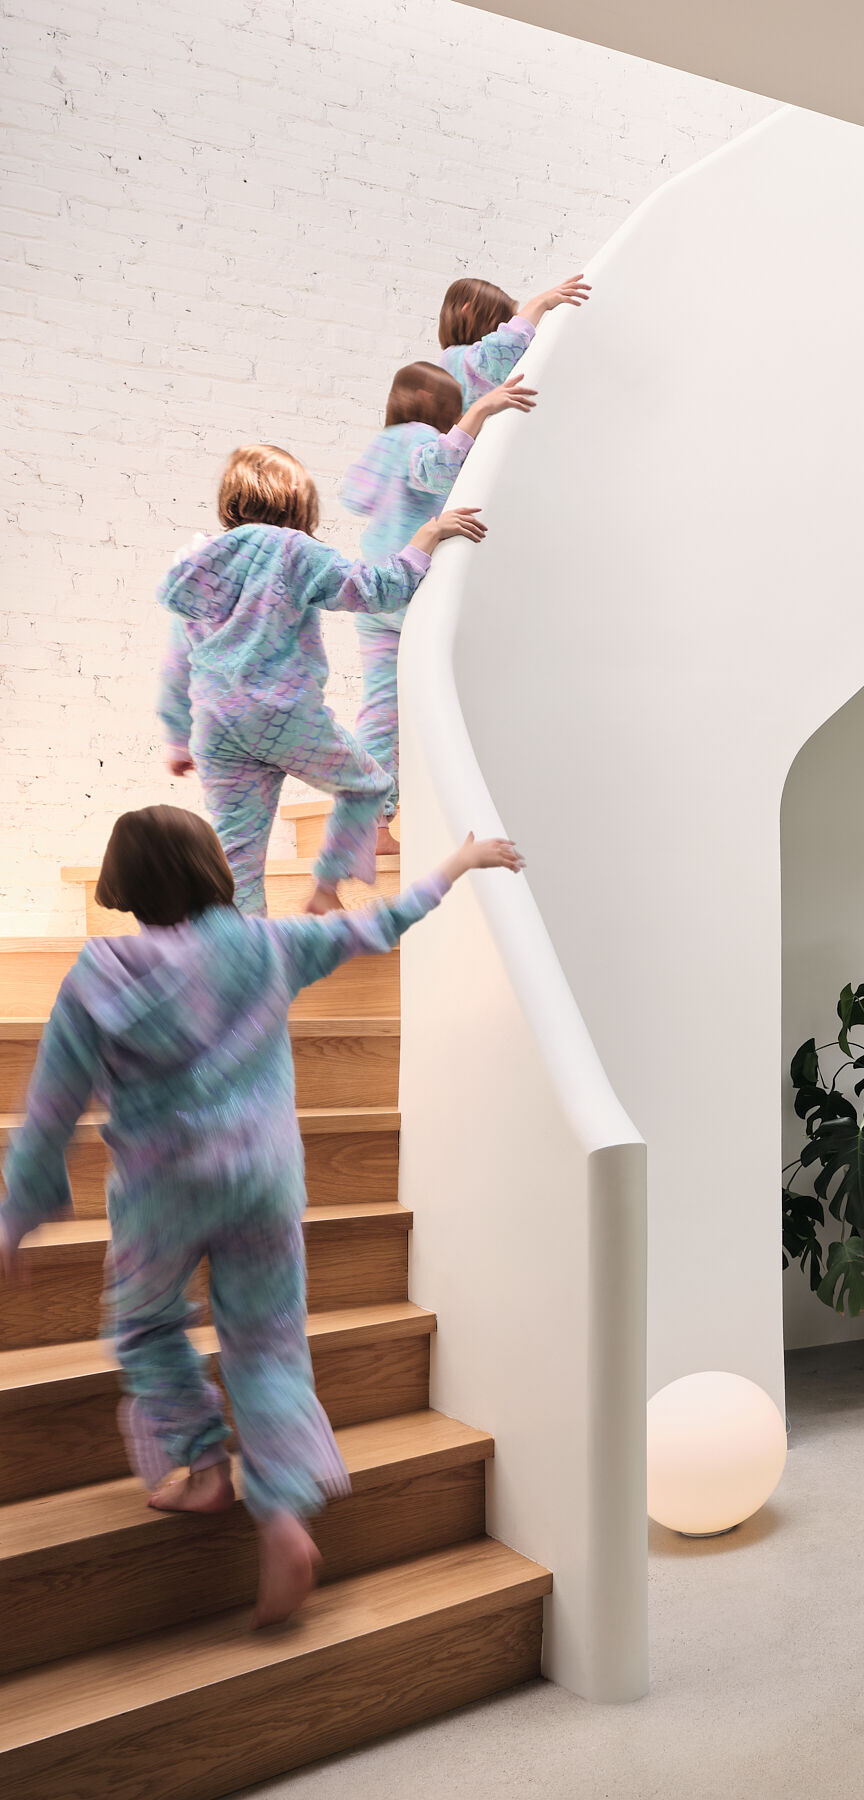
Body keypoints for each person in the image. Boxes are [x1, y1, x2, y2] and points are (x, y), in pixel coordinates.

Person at [0, 808, 525, 1626]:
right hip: (266, 1185)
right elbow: (375, 922)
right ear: (213, 868)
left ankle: (205, 1466)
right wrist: (457, 863)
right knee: (269, 1344)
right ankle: (280, 1517)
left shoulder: (100, 973)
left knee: (143, 1328)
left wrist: (17, 1213)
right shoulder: (266, 946)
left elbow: (52, 1108)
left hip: (164, 1196)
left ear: (123, 884)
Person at [159, 443, 484, 915]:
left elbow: (176, 661)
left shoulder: (200, 563)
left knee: (239, 860)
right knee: (369, 785)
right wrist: (426, 537)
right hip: (283, 716)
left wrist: (175, 737)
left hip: (216, 727)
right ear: (297, 502)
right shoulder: (292, 550)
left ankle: (240, 969)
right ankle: (327, 888)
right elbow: (375, 590)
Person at [340, 365, 536, 846]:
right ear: (430, 401)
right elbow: (436, 469)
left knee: (382, 710)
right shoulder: (416, 437)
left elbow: (353, 496)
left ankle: (371, 821)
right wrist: (482, 411)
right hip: (410, 583)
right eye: (452, 410)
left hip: (375, 590)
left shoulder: (382, 443)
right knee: (461, 687)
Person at [435, 272, 588, 403]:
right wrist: (540, 303)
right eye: (497, 322)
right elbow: (503, 351)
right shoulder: (454, 358)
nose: (500, 330)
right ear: (467, 311)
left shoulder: (457, 361)